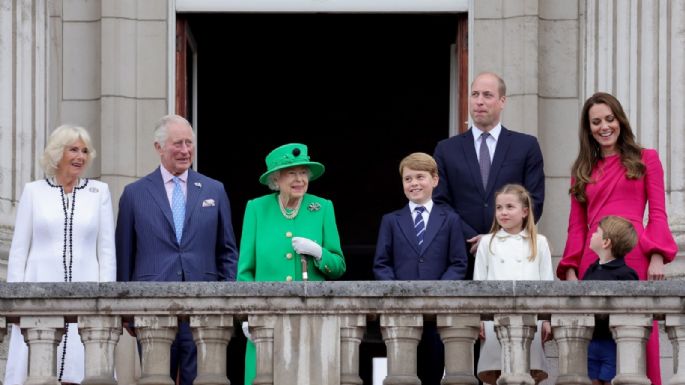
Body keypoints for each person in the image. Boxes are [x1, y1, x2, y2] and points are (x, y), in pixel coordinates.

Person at [556, 92, 678, 385]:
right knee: (595, 347)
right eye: (596, 122)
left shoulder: (646, 159)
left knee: (635, 340)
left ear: (620, 120)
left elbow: (658, 214)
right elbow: (576, 226)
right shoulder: (582, 170)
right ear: (589, 129)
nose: (604, 127)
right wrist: (571, 269)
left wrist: (658, 256)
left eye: (609, 119)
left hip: (635, 256)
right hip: (592, 260)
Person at [115, 114, 239, 385]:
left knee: (204, 380)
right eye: (177, 144)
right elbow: (124, 255)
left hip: (205, 308)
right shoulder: (134, 194)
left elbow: (227, 251)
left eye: (189, 143)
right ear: (159, 148)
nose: (185, 150)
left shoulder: (214, 190)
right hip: (152, 307)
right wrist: (126, 310)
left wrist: (227, 298)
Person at [5, 124, 116, 385]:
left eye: (85, 151)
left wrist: (108, 302)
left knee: (82, 371)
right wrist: (14, 303)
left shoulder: (99, 192)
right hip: (38, 294)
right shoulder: (34, 192)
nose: (80, 156)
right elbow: (19, 250)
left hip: (87, 295)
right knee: (37, 373)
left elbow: (107, 251)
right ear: (57, 153)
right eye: (73, 150)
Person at [237, 143, 346, 385]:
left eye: (303, 172)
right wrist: (247, 314)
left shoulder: (322, 208)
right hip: (266, 319)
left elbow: (338, 266)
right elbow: (245, 270)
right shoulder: (256, 209)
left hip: (311, 319)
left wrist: (319, 253)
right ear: (276, 179)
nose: (300, 179)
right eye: (292, 173)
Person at [433, 71, 545, 278]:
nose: (479, 102)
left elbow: (534, 200)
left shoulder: (526, 146)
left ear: (502, 101)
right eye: (474, 95)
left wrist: (498, 239)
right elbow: (439, 202)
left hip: (512, 258)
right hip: (461, 256)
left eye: (487, 95)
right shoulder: (446, 149)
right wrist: (474, 238)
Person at [373, 152, 468, 385]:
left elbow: (458, 263)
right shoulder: (391, 220)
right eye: (408, 179)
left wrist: (437, 292)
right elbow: (381, 263)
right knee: (402, 374)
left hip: (438, 314)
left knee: (434, 371)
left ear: (435, 180)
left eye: (420, 177)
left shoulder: (451, 219)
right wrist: (397, 293)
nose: (414, 183)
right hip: (402, 313)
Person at [473, 184, 553, 385]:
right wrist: (479, 318)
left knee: (527, 373)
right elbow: (478, 284)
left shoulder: (539, 242)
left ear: (525, 211)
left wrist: (546, 320)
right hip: (494, 321)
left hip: (530, 319)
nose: (503, 212)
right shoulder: (487, 242)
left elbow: (547, 284)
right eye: (499, 207)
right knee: (495, 373)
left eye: (510, 207)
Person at [583, 215, 639, 385]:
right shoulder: (591, 270)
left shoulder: (626, 274)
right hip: (590, 340)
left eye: (596, 232)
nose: (592, 235)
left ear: (606, 242)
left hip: (612, 343)